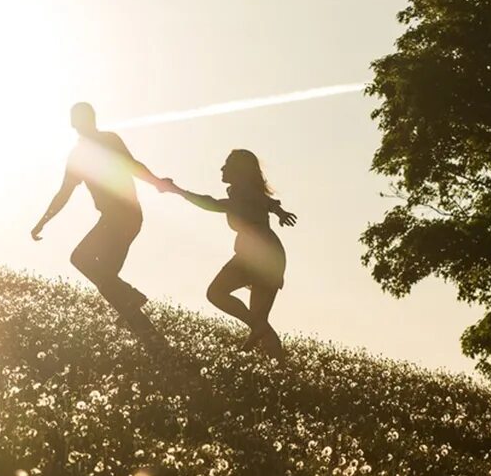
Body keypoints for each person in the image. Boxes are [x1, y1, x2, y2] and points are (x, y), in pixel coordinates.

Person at [32, 102, 169, 330]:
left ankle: (132, 300)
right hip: (128, 217)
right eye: (84, 117)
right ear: (74, 122)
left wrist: (157, 182)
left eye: (89, 116)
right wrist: (42, 221)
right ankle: (150, 338)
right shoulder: (80, 155)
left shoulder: (105, 142)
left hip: (120, 217)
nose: (89, 121)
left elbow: (132, 165)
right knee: (107, 280)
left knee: (81, 259)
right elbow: (64, 193)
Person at [162, 149, 296, 355]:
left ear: (239, 170)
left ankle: (260, 342)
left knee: (216, 293)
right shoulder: (245, 193)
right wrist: (279, 212)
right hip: (270, 255)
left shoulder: (243, 193)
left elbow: (214, 204)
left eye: (227, 164)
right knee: (259, 323)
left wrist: (178, 191)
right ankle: (279, 367)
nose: (222, 168)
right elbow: (266, 202)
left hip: (257, 255)